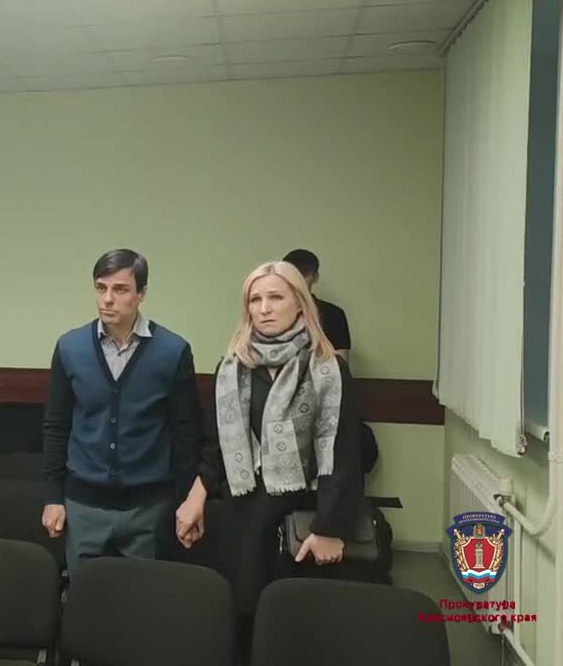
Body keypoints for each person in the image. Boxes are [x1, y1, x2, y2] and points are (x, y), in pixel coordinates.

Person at [174, 261, 364, 660]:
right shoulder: (233, 367)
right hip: (243, 513)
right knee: (240, 625)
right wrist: (195, 498)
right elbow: (216, 444)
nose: (263, 308)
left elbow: (342, 453)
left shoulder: (328, 369)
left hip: (303, 518)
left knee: (295, 632)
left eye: (275, 297)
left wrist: (330, 527)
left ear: (300, 303)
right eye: (254, 299)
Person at [41, 248, 201, 570]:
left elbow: (186, 433)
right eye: (101, 288)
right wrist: (53, 497)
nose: (107, 299)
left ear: (141, 294)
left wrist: (186, 500)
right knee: (84, 592)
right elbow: (56, 426)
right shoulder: (70, 347)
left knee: (144, 595)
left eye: (120, 289)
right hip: (84, 505)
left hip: (149, 507)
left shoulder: (173, 351)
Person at [282, 249, 351, 359]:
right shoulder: (269, 312)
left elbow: (341, 363)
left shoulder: (334, 314)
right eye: (292, 274)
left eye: (304, 274)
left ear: (315, 277)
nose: (298, 280)